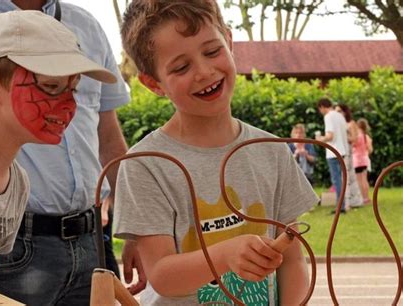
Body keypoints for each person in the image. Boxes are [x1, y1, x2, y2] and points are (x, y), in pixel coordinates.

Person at [0, 1, 145, 304]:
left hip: (90, 237)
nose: (69, 106)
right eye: (51, 86)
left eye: (74, 89)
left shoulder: (17, 182)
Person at [113, 1, 319, 304]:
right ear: (153, 83)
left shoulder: (271, 151)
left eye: (212, 51)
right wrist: (225, 254)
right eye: (181, 67)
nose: (204, 72)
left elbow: (292, 262)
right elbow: (162, 275)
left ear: (229, 40)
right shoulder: (145, 164)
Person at [316, 98, 348, 213]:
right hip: (342, 150)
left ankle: (340, 206)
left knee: (336, 180)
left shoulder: (328, 116)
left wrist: (320, 139)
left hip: (333, 151)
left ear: (322, 107)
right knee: (341, 179)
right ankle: (343, 204)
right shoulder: (340, 116)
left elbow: (330, 136)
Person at [335, 104, 364, 208]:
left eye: (339, 111)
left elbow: (354, 139)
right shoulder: (338, 124)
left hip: (347, 151)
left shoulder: (350, 123)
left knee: (348, 177)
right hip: (339, 151)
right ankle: (346, 201)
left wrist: (344, 137)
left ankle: (351, 201)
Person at [353, 118, 373, 204]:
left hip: (357, 161)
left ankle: (361, 198)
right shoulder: (367, 137)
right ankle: (366, 197)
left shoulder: (357, 136)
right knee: (365, 179)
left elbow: (352, 145)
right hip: (365, 160)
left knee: (359, 180)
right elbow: (370, 149)